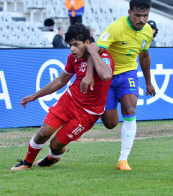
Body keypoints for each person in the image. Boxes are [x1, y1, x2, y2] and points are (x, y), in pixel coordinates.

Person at [10, 24, 114, 171]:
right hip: (69, 101)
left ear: (87, 42)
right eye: (70, 45)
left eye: (76, 45)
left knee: (55, 145)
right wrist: (35, 96)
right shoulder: (73, 58)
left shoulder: (104, 56)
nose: (72, 49)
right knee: (42, 133)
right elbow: (61, 80)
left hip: (87, 113)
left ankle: (52, 158)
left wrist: (93, 52)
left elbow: (106, 75)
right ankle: (27, 163)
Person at [83, 0, 156, 171]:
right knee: (110, 123)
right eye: (138, 15)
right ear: (130, 12)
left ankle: (123, 160)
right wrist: (89, 75)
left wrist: (149, 82)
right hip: (107, 76)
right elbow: (95, 51)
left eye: (145, 15)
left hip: (128, 73)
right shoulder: (116, 28)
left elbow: (144, 56)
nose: (142, 19)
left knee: (130, 109)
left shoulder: (147, 32)